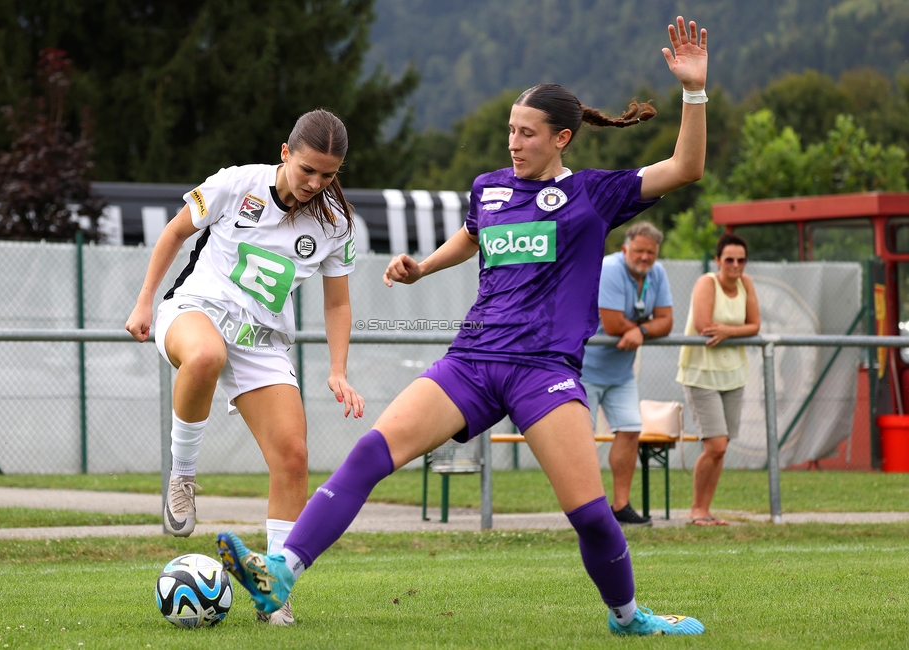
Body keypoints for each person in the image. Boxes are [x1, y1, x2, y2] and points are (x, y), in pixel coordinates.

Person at [218, 16, 709, 636]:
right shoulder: (490, 189)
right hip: (472, 361)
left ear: (562, 139)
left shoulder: (593, 194)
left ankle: (628, 616)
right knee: (373, 451)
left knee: (588, 514)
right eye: (509, 129)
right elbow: (475, 238)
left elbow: (686, 167)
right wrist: (423, 267)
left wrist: (693, 91)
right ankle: (281, 570)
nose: (513, 142)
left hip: (543, 371)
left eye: (527, 134)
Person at [125, 108, 365, 626]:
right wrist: (144, 302)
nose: (315, 183)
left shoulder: (337, 224)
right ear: (285, 153)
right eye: (307, 170)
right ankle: (182, 477)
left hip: (262, 340)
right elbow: (173, 235)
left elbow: (338, 305)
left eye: (328, 175)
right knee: (206, 355)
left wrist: (338, 369)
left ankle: (274, 591)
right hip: (195, 311)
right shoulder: (236, 184)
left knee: (294, 458)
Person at [580, 221, 673, 527]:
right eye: (639, 251)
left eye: (651, 252)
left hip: (621, 373)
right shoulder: (609, 268)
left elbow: (667, 322)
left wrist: (641, 330)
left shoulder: (656, 274)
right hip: (583, 369)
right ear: (624, 250)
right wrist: (643, 327)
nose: (645, 257)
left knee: (631, 431)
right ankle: (586, 508)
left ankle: (620, 505)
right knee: (582, 441)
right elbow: (612, 324)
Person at [676, 233, 759, 526]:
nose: (735, 265)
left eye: (741, 260)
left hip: (734, 373)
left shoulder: (746, 284)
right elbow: (704, 326)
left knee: (722, 446)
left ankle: (706, 510)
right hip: (701, 374)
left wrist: (728, 331)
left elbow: (755, 325)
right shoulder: (706, 283)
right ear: (717, 261)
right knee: (716, 445)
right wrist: (730, 330)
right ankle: (697, 509)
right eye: (729, 260)